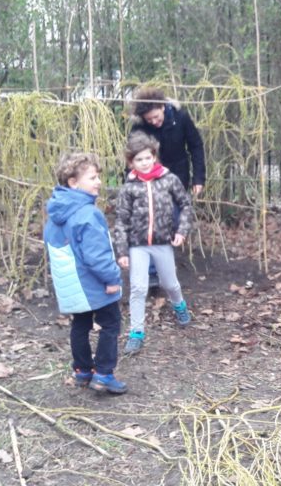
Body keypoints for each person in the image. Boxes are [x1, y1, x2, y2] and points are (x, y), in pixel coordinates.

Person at [43, 152, 127, 394]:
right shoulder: (87, 214)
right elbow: (97, 255)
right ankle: (103, 374)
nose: (99, 182)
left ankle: (81, 370)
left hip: (71, 284)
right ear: (73, 182)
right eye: (92, 177)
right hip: (93, 285)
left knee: (80, 324)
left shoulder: (57, 213)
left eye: (98, 176)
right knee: (110, 324)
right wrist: (112, 279)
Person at [113, 132, 194, 354]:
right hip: (137, 245)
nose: (145, 163)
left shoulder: (169, 180)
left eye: (148, 158)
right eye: (139, 160)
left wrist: (182, 230)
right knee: (138, 287)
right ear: (132, 163)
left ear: (154, 156)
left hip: (162, 242)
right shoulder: (129, 188)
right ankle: (136, 332)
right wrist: (122, 251)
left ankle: (179, 305)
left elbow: (185, 205)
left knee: (170, 283)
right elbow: (120, 220)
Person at [129, 86, 206, 196]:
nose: (154, 121)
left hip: (178, 175)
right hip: (149, 179)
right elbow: (132, 154)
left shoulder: (181, 117)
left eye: (156, 116)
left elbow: (196, 146)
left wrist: (198, 178)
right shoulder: (139, 126)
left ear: (162, 107)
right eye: (149, 119)